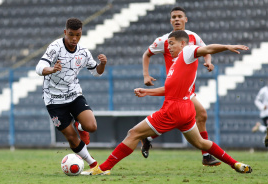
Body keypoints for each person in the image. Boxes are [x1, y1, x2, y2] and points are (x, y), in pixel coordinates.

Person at [81, 30, 252, 175]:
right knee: (201, 143)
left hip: (173, 109)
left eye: (171, 43)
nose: (168, 47)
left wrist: (226, 47)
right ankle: (236, 164)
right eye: (168, 44)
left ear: (183, 43)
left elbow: (208, 48)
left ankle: (102, 169)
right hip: (186, 109)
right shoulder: (179, 62)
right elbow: (170, 89)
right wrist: (147, 91)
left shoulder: (188, 51)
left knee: (133, 133)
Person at [141, 7, 219, 166]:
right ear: (170, 21)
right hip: (177, 87)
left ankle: (148, 137)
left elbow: (206, 50)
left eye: (179, 16)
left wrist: (208, 61)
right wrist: (146, 75)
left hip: (188, 87)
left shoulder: (193, 36)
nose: (176, 19)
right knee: (201, 115)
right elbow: (146, 54)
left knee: (179, 119)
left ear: (185, 19)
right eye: (173, 17)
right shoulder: (164, 40)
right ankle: (206, 155)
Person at [35, 18, 107, 169]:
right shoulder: (55, 47)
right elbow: (39, 67)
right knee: (71, 137)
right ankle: (92, 164)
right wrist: (52, 69)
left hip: (74, 95)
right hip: (53, 100)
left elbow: (97, 72)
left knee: (92, 126)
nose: (74, 39)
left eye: (78, 35)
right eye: (71, 34)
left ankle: (80, 125)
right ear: (65, 32)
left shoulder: (83, 52)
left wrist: (103, 64)